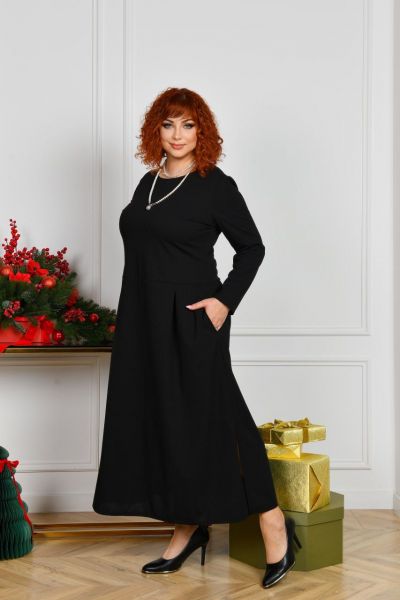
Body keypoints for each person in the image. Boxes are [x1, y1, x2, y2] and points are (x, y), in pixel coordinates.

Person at [92, 87, 300, 589]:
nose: (178, 135)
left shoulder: (215, 186)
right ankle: (188, 525)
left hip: (192, 318)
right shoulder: (148, 183)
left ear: (202, 131)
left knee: (223, 419)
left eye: (188, 125)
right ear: (155, 131)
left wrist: (223, 302)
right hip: (144, 319)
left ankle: (274, 523)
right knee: (169, 419)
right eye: (168, 124)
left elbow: (252, 248)